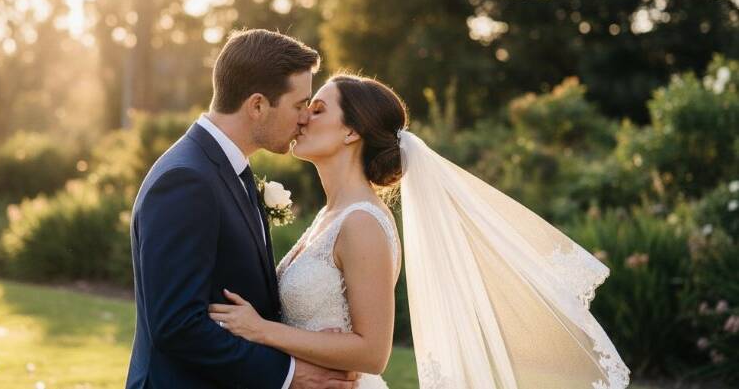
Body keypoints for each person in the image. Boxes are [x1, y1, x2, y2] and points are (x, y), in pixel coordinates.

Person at [209, 73, 631, 389]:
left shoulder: (362, 223)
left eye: (318, 109)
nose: (302, 118)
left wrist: (262, 330)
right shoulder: (330, 215)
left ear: (352, 131)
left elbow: (373, 353)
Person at [125, 29, 357, 389]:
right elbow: (176, 325)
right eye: (299, 105)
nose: (304, 119)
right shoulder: (187, 180)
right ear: (258, 105)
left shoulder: (228, 169)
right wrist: (290, 375)